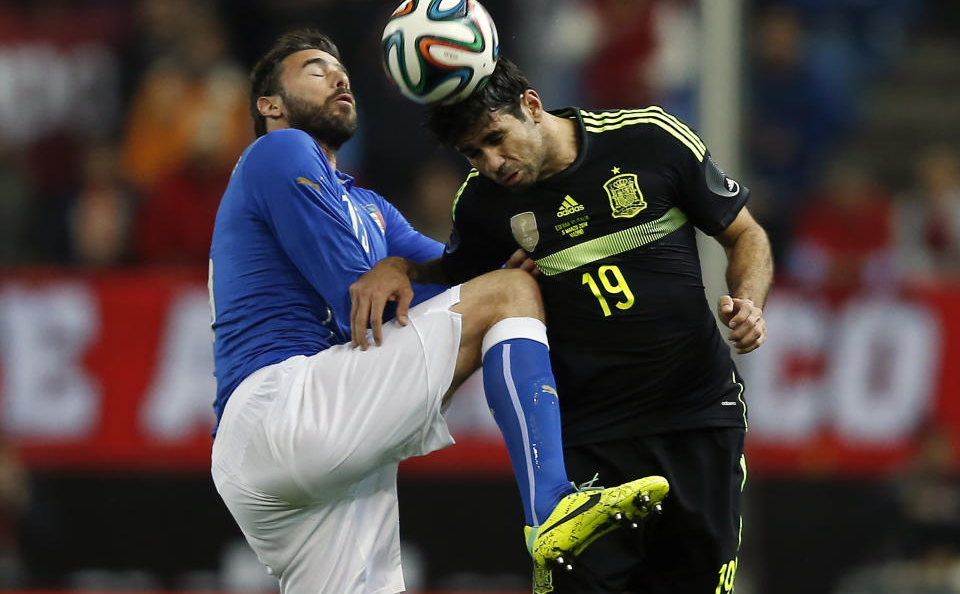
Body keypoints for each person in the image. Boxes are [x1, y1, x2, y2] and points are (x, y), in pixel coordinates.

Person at [207, 29, 668, 594]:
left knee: (508, 292)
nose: (339, 77)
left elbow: (459, 276)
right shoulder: (280, 151)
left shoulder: (370, 207)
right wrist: (490, 289)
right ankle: (552, 505)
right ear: (270, 105)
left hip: (299, 457)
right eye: (315, 69)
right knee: (507, 295)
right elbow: (359, 298)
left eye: (340, 68)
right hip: (284, 403)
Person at [416, 58, 774, 593]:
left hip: (697, 420)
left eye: (496, 138)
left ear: (532, 107)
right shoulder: (482, 206)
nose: (492, 162)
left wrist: (748, 300)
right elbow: (462, 296)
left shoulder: (650, 139)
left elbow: (746, 236)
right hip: (586, 447)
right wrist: (397, 268)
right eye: (473, 152)